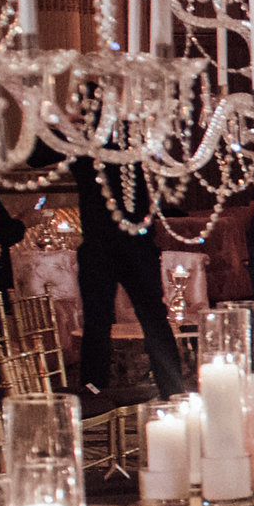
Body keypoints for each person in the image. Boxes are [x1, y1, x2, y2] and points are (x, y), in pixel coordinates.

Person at [70, 153, 190, 404]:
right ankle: (95, 398)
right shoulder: (86, 138)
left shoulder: (117, 135)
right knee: (104, 323)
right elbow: (38, 157)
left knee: (148, 319)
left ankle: (171, 394)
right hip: (110, 244)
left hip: (128, 242)